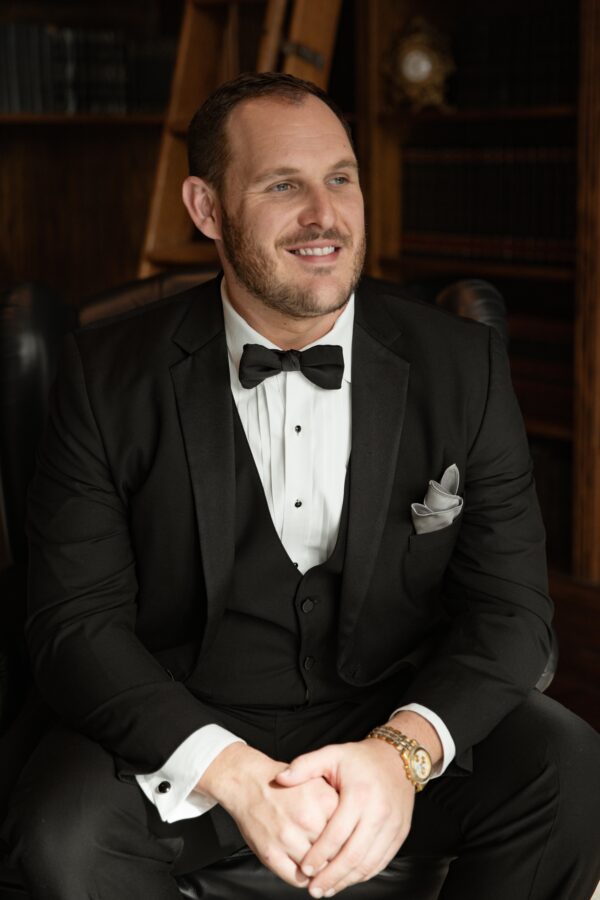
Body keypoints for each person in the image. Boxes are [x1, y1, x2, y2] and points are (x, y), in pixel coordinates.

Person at [3, 72, 600, 900]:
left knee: (571, 774)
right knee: (63, 835)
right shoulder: (105, 377)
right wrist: (232, 772)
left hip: (388, 712)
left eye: (341, 178)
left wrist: (401, 754)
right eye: (284, 185)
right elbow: (76, 626)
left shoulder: (464, 366)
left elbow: (512, 610)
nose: (325, 215)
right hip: (185, 728)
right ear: (207, 209)